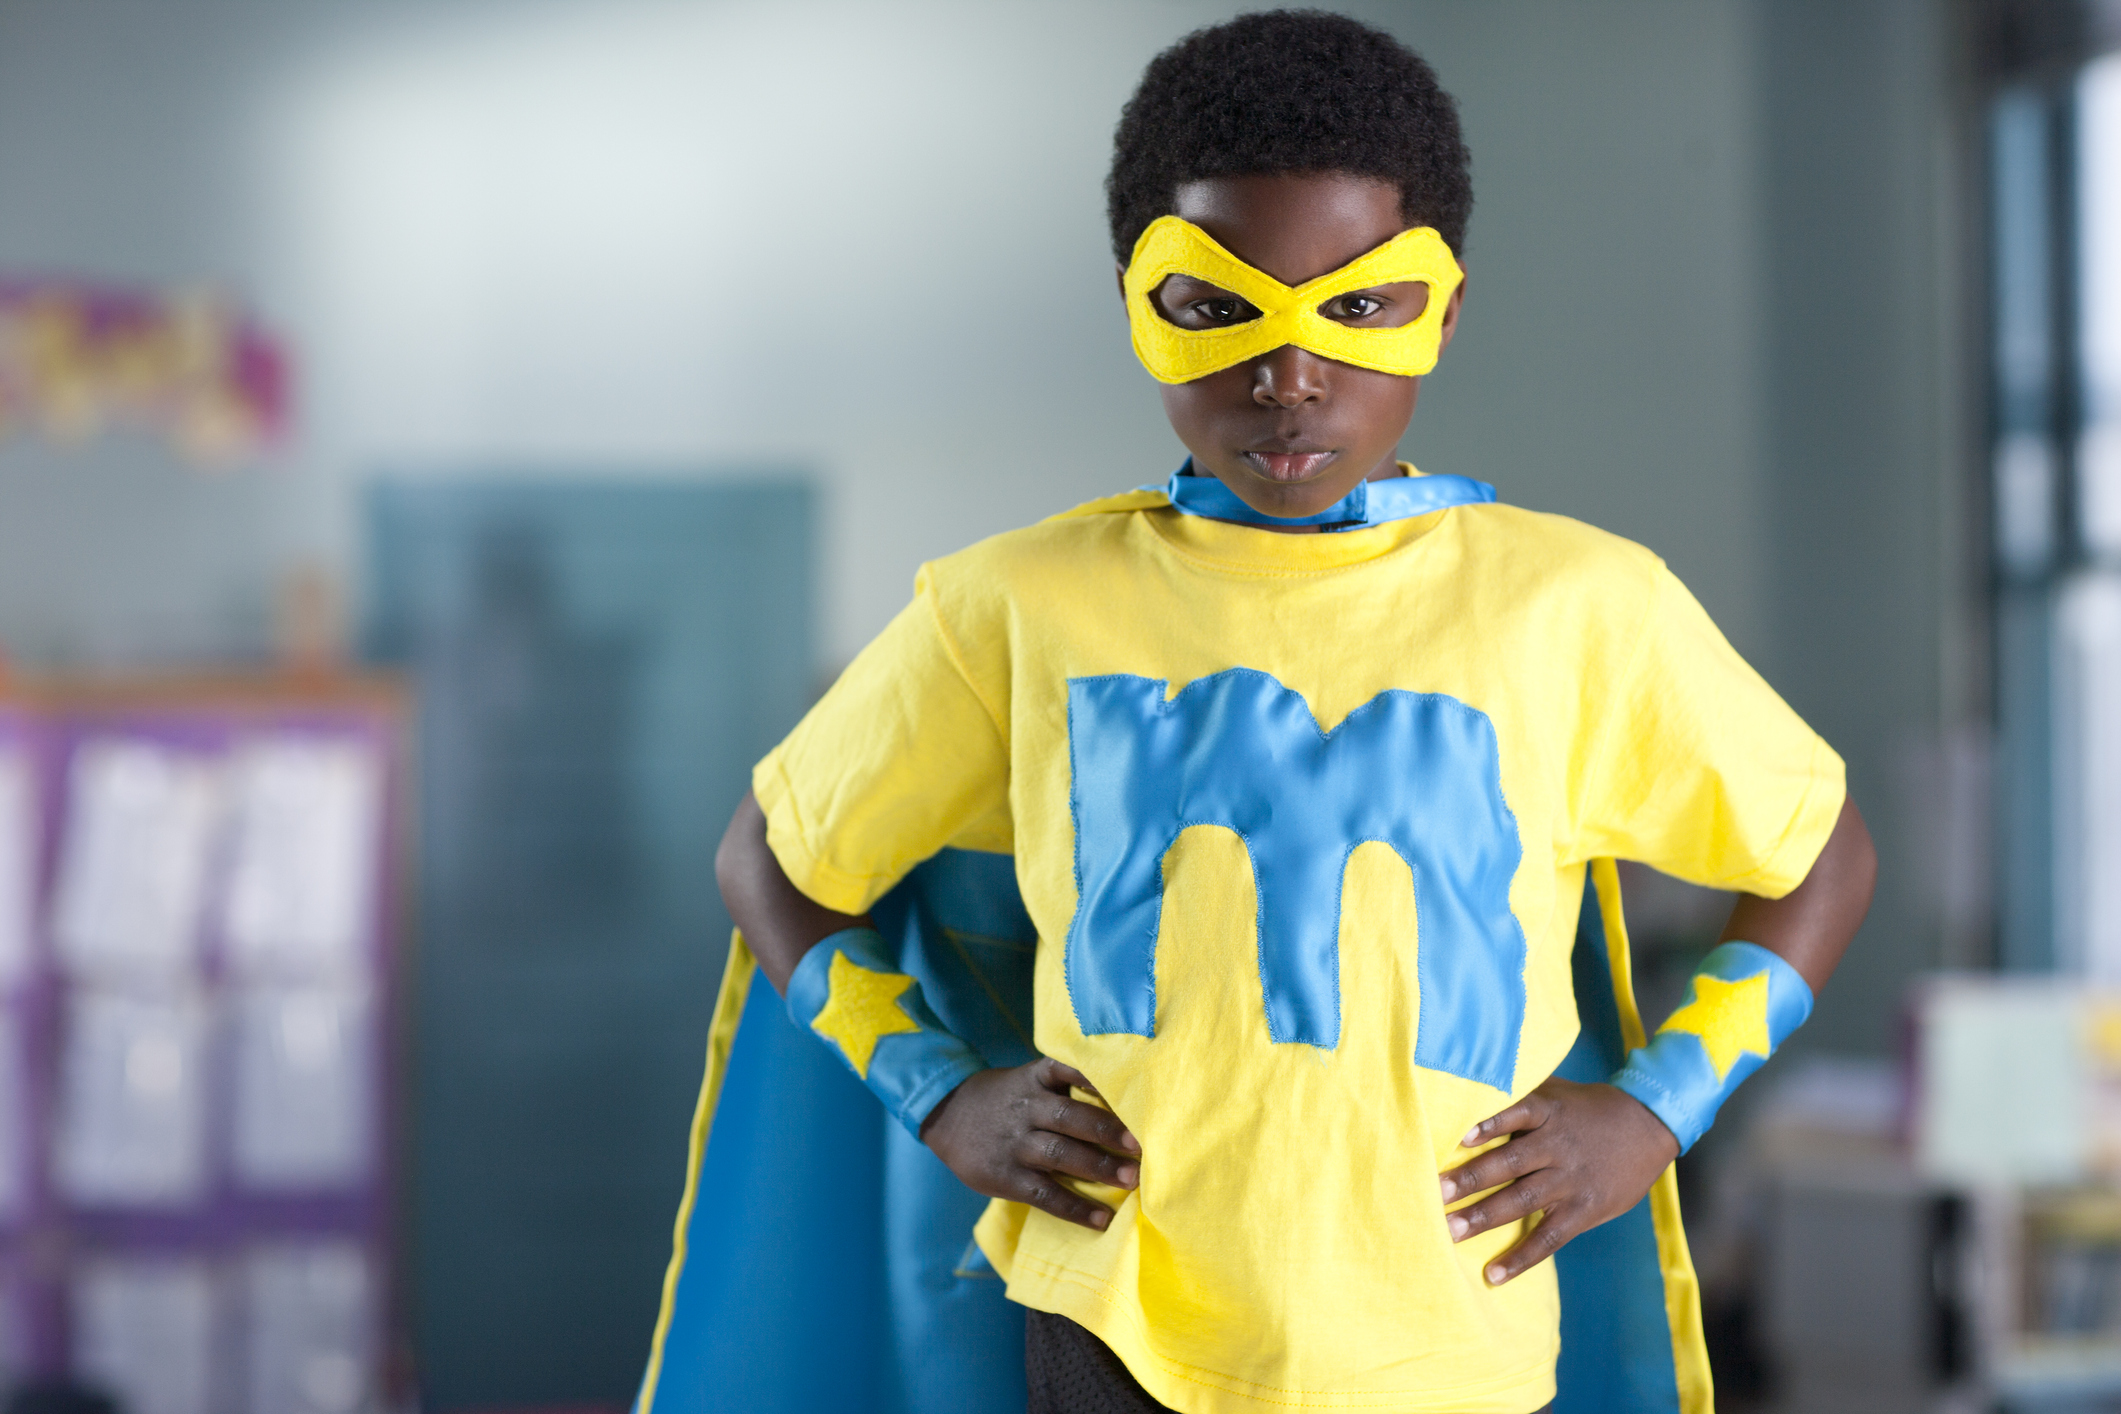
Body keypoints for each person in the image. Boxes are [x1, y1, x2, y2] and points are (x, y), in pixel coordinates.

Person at [706, 12, 1876, 1414]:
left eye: (1358, 305)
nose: (1288, 374)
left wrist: (1651, 1109)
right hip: (1114, 1321)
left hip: (1451, 1338)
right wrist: (938, 1091)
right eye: (1215, 306)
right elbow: (768, 857)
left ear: (1441, 307)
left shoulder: (1580, 606)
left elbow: (1820, 853)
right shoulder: (1013, 604)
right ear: (1137, 296)